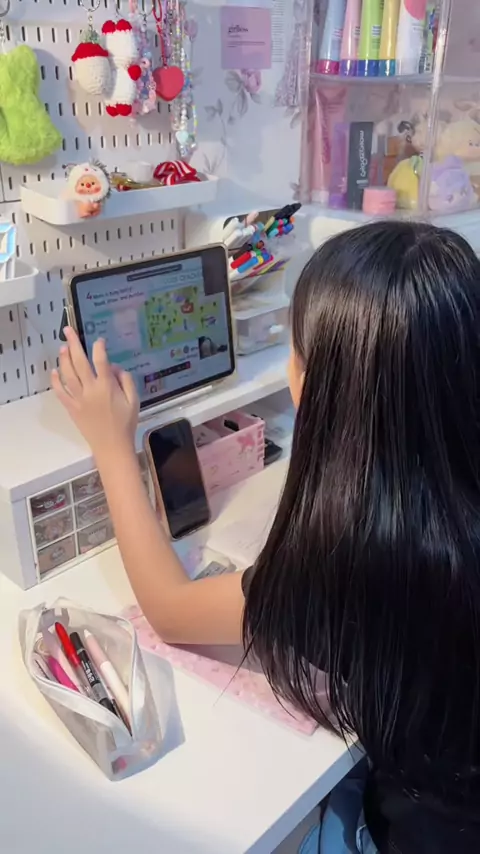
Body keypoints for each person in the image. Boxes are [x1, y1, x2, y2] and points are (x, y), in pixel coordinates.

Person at [53, 221, 480, 854]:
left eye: (298, 352)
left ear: (318, 389)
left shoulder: (354, 561)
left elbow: (170, 610)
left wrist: (112, 445)